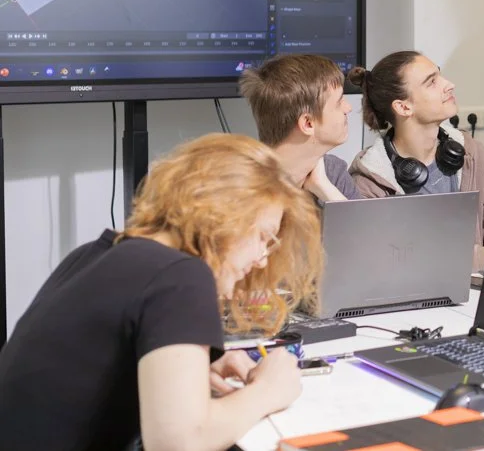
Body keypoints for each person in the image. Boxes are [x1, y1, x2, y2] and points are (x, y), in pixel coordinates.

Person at [0, 133, 324, 451]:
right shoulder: (181, 274)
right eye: (264, 237)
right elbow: (179, 443)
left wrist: (191, 367)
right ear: (225, 216)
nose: (263, 258)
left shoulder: (94, 253)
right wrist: (267, 391)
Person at [347, 52, 484, 271]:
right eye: (432, 82)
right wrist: (478, 259)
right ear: (403, 107)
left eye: (440, 76)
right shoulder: (369, 183)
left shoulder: (472, 153)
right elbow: (389, 268)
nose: (449, 85)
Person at [240, 53, 360, 202]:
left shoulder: (333, 173)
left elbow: (366, 219)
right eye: (339, 102)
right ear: (308, 123)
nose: (348, 108)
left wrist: (326, 189)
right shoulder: (239, 188)